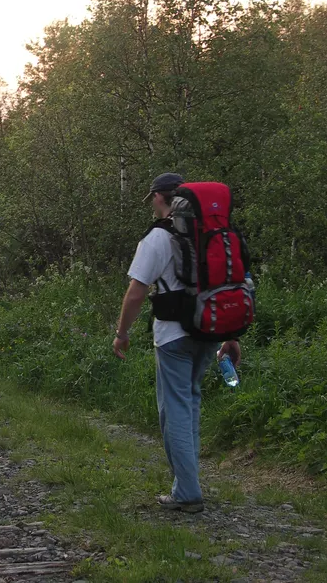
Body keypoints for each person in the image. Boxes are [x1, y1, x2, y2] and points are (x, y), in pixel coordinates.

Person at [112, 173, 241, 513]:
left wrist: (122, 333)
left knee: (175, 412)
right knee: (191, 404)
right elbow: (226, 284)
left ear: (159, 198)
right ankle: (187, 482)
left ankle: (187, 491)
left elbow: (136, 291)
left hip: (173, 337)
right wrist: (230, 336)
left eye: (152, 198)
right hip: (208, 333)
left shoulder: (158, 238)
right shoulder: (210, 235)